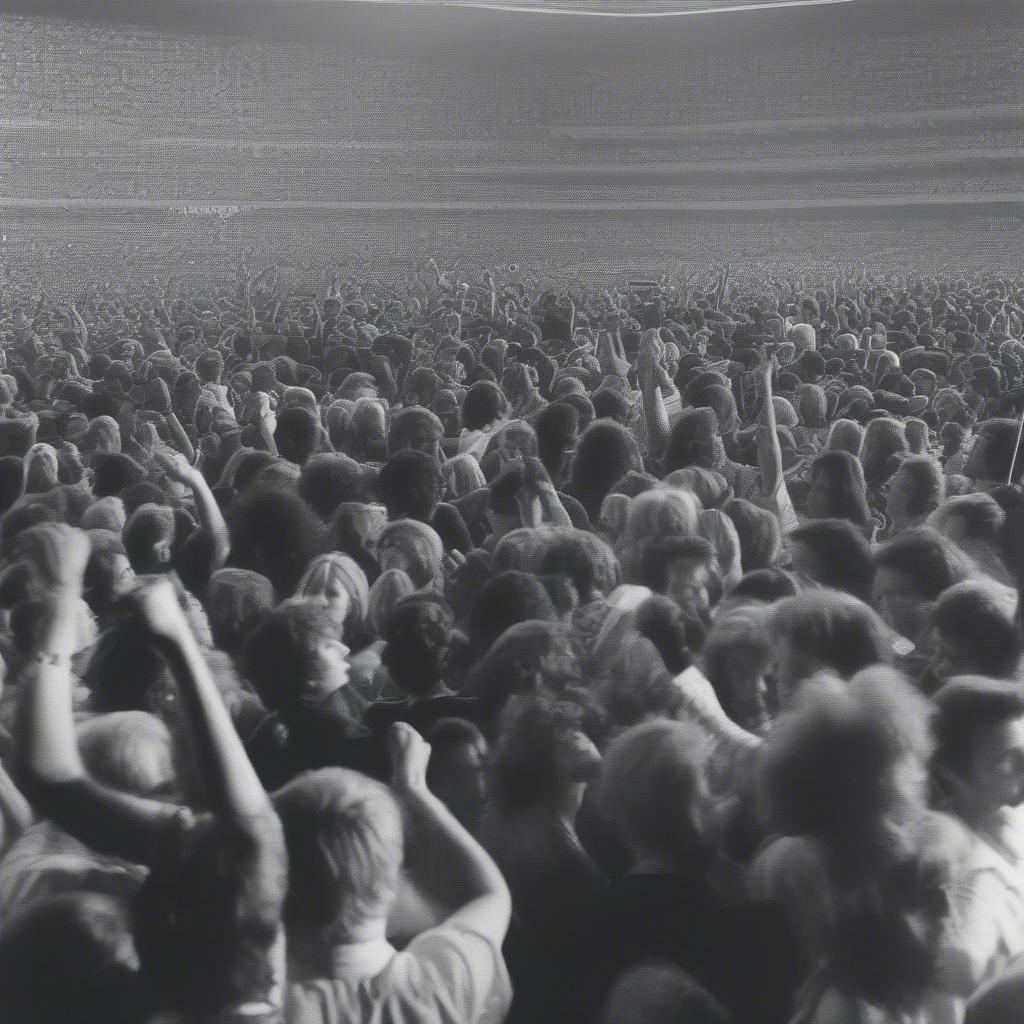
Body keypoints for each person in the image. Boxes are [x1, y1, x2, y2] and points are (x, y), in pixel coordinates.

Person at [277, 722, 513, 1024]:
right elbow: (488, 892)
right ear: (397, 877)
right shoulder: (446, 979)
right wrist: (414, 787)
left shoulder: (261, 1009)